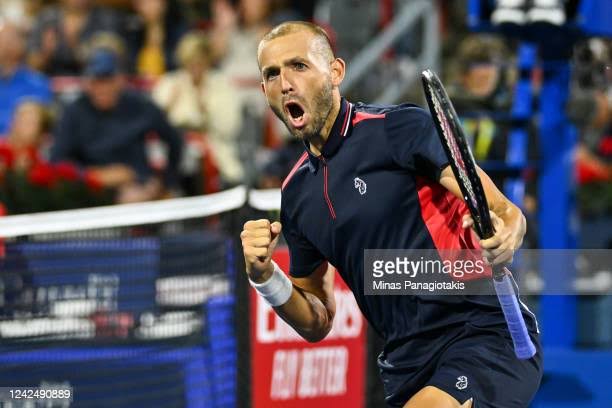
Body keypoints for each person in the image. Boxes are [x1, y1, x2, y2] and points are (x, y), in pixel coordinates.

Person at [241, 22, 542, 408]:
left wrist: (505, 234)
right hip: (405, 366)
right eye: (272, 73)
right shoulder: (296, 194)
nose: (285, 82)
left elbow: (503, 210)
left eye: (298, 66)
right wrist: (265, 277)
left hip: (481, 333)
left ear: (335, 72)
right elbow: (317, 321)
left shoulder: (398, 129)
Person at [50, 45, 183, 203]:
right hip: (90, 192)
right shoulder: (74, 112)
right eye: (96, 81)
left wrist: (164, 182)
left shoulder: (139, 105)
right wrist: (94, 176)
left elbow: (175, 141)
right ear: (87, 84)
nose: (102, 88)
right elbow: (57, 161)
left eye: (108, 80)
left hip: (139, 186)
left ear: (120, 80)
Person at [152, 31, 243, 187]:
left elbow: (230, 128)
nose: (195, 68)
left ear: (208, 60)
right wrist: (168, 107)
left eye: (199, 62)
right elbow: (152, 123)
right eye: (190, 62)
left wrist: (205, 109)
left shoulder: (221, 83)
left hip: (213, 149)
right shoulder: (169, 83)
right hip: (172, 147)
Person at [0, 21, 51, 136]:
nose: (6, 44)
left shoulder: (37, 83)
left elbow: (38, 125)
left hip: (21, 147)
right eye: (2, 39)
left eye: (11, 38)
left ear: (22, 43)